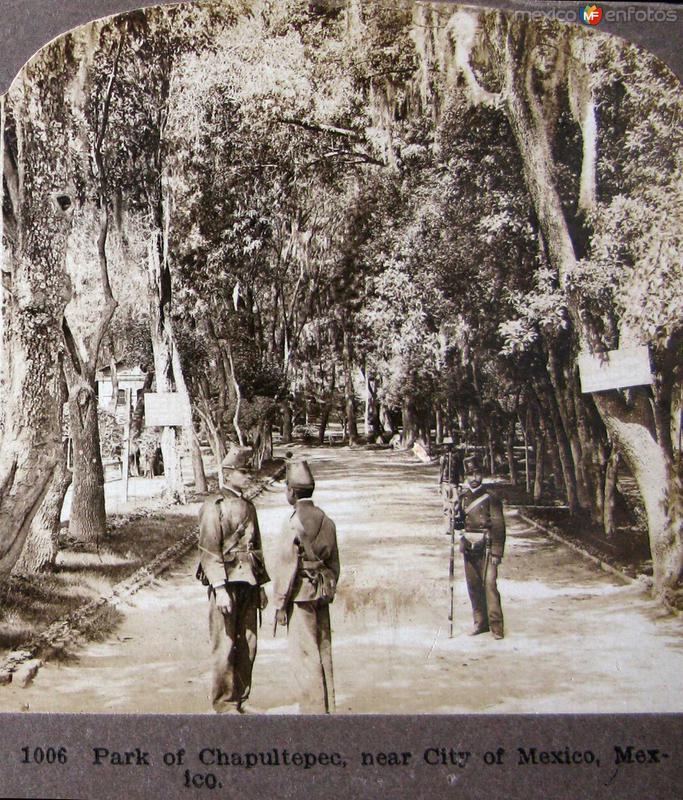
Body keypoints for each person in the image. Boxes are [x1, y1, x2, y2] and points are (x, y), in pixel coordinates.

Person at [197, 468, 269, 713]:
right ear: (228, 474)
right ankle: (224, 703)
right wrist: (219, 589)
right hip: (226, 584)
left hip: (248, 582)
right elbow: (208, 550)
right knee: (225, 644)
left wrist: (260, 586)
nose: (249, 475)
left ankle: (241, 698)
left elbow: (256, 549)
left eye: (249, 470)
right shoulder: (213, 506)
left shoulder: (249, 506)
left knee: (249, 643)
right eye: (243, 471)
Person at [272, 460, 340, 714]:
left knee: (304, 655)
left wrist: (280, 604)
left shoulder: (291, 523)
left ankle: (312, 712)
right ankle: (326, 707)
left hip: (299, 596)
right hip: (321, 593)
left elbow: (286, 568)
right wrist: (327, 588)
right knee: (323, 649)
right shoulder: (327, 520)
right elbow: (334, 563)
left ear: (291, 491)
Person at [459, 456, 506, 639]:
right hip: (469, 546)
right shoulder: (463, 498)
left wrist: (497, 551)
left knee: (490, 585)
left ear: (482, 475)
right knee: (473, 586)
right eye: (470, 474)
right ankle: (480, 623)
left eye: (477, 473)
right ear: (466, 476)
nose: (474, 478)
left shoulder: (491, 497)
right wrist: (452, 513)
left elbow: (499, 525)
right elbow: (459, 524)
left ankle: (497, 627)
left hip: (486, 548)